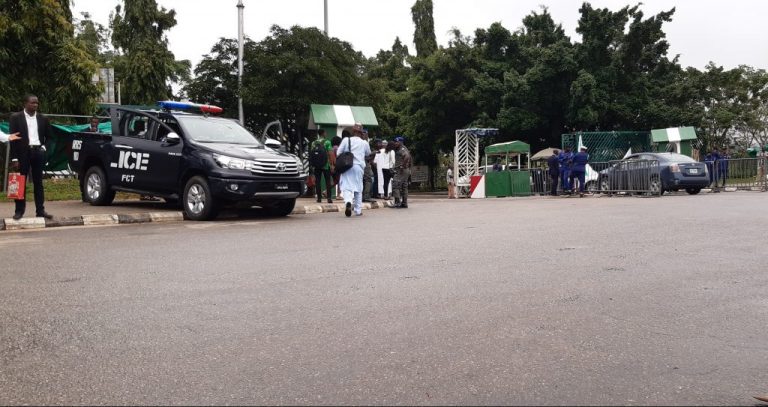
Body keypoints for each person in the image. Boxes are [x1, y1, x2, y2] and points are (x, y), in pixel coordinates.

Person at [8, 94, 53, 220]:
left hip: (38, 152)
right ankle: (19, 211)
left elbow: (49, 137)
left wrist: (43, 148)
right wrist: (14, 158)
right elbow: (13, 139)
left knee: (38, 183)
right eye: (32, 103)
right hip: (23, 153)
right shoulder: (16, 117)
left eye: (37, 103)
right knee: (20, 182)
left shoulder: (43, 118)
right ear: (25, 104)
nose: (35, 105)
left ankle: (40, 210)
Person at [336, 124, 371, 217]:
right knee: (358, 188)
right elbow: (368, 154)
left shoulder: (346, 140)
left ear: (353, 131)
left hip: (347, 166)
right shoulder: (364, 143)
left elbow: (338, 153)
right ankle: (358, 210)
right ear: (361, 133)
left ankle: (348, 202)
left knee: (347, 187)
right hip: (359, 167)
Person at [310, 129, 333, 203]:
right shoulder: (327, 142)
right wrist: (332, 164)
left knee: (318, 181)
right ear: (323, 133)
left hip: (316, 165)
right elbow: (330, 153)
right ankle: (329, 198)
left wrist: (313, 165)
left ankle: (319, 198)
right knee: (328, 181)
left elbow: (312, 155)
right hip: (325, 165)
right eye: (325, 132)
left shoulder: (313, 143)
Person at [391, 136, 412, 208]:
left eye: (397, 142)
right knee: (404, 187)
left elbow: (407, 156)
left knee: (395, 185)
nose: (395, 143)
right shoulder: (402, 148)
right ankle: (404, 203)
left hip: (401, 170)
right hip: (405, 170)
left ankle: (397, 202)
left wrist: (402, 165)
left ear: (400, 142)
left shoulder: (402, 149)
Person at [361, 129, 376, 203]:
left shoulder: (357, 142)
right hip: (364, 162)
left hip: (357, 163)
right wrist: (374, 152)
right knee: (368, 179)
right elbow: (368, 154)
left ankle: (361, 196)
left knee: (362, 180)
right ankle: (366, 196)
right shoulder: (365, 142)